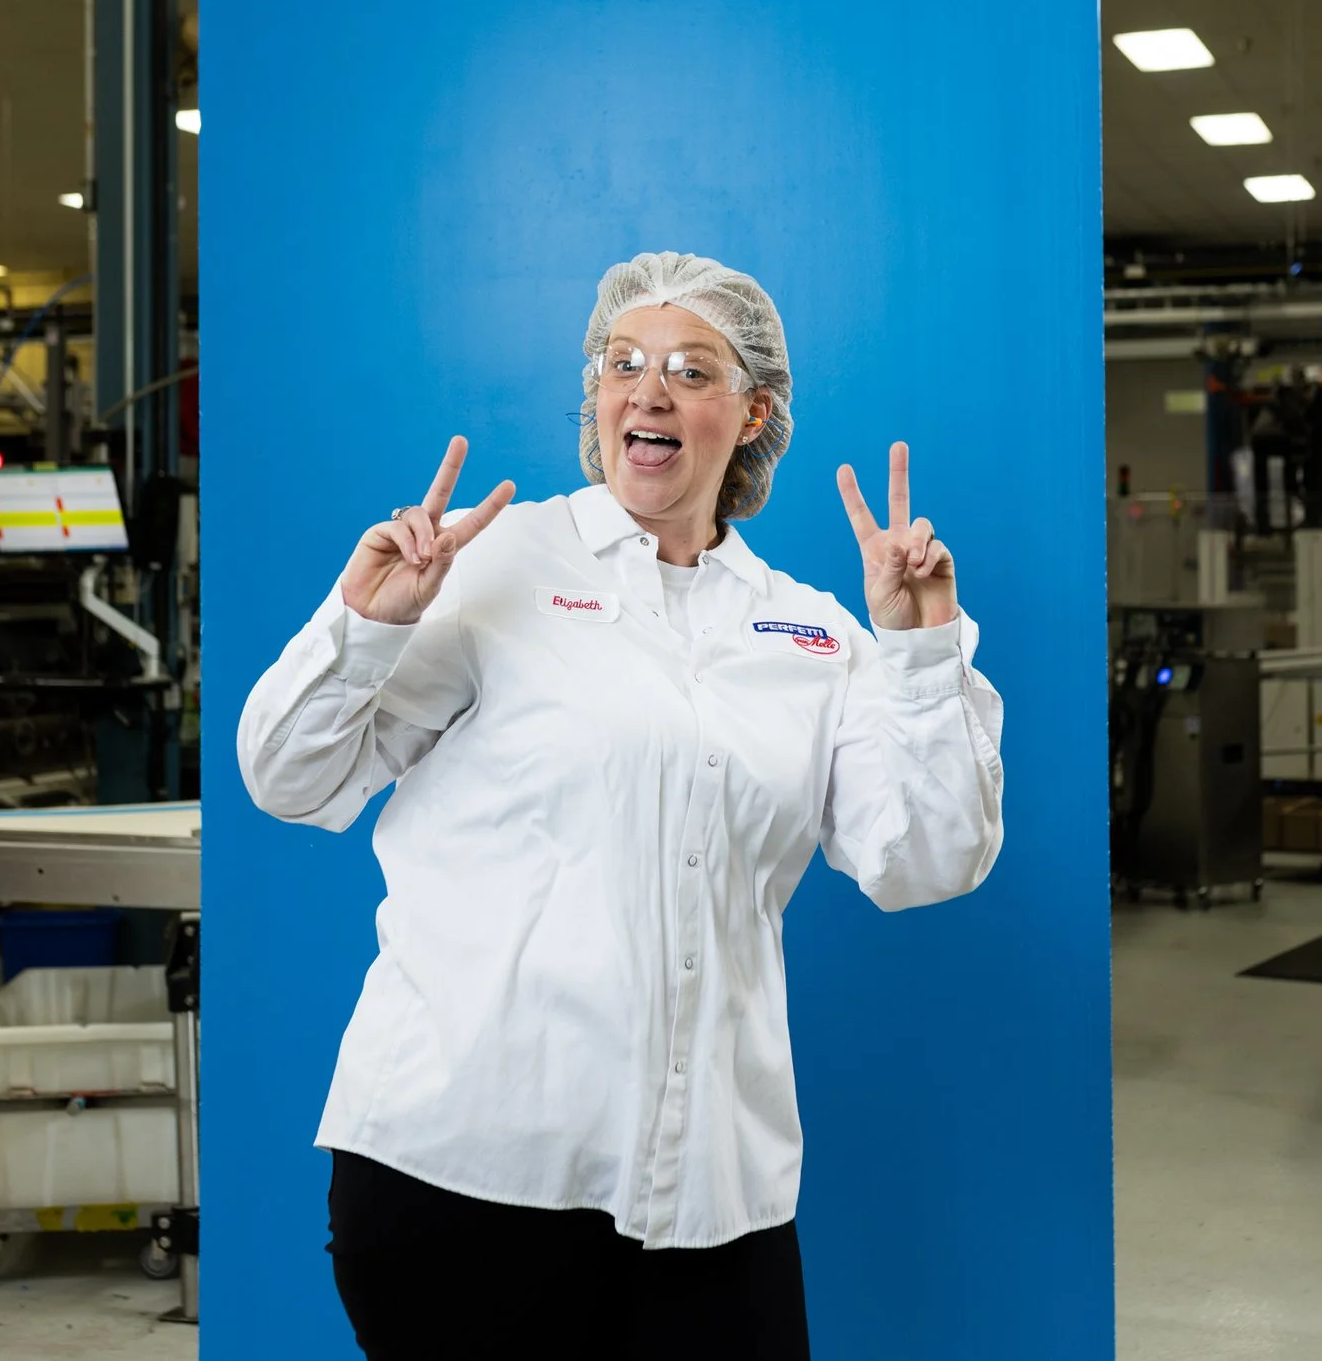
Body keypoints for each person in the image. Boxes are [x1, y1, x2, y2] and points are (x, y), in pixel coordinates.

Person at [237, 252, 1005, 1360]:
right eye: (622, 363)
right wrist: (366, 623)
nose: (649, 391)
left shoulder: (811, 632)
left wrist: (920, 652)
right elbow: (288, 778)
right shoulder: (493, 566)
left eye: (692, 370)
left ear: (753, 414)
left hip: (711, 1187)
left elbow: (925, 861)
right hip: (467, 1173)